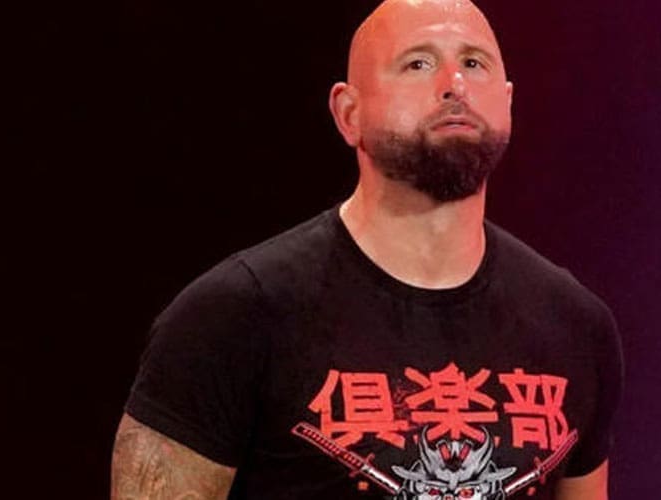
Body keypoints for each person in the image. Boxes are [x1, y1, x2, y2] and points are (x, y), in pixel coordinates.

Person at [111, 0, 624, 498]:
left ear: (507, 102)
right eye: (418, 63)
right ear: (348, 113)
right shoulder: (234, 317)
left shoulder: (575, 327)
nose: (455, 84)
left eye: (474, 63)